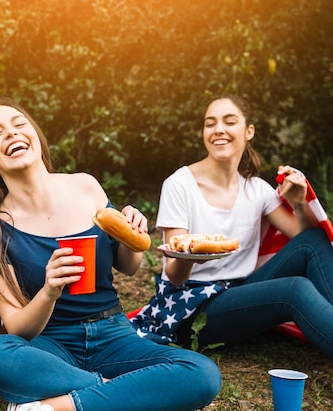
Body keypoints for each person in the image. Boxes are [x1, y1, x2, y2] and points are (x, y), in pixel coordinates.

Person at [0, 98, 221, 411]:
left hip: (113, 335)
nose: (11, 134)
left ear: (35, 136)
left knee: (203, 374)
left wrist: (132, 235)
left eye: (18, 124)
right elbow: (17, 328)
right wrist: (48, 292)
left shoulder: (86, 186)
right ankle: (115, 392)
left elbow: (129, 266)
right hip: (50, 343)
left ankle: (59, 406)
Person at [130, 94, 333, 358]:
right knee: (294, 289)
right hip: (192, 307)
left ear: (249, 131)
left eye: (229, 121)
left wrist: (298, 203)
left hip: (240, 293)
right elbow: (175, 275)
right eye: (210, 123)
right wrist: (191, 257)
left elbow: (303, 241)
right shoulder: (179, 184)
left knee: (314, 241)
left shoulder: (257, 189)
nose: (218, 130)